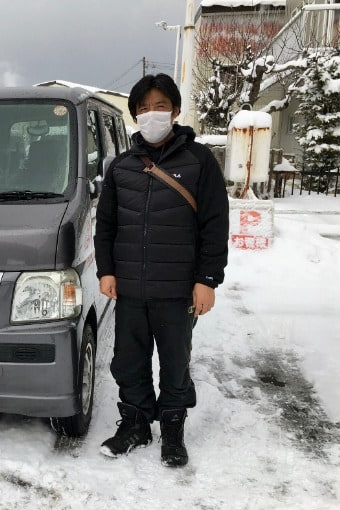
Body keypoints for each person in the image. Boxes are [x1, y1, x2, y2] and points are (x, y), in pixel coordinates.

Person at [94, 73, 229, 467]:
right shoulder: (121, 166)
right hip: (132, 290)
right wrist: (107, 270)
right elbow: (107, 225)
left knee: (174, 363)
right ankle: (134, 424)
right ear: (135, 115)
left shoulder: (199, 160)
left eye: (160, 106)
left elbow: (215, 224)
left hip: (177, 291)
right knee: (128, 362)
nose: (152, 114)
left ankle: (172, 427)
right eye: (144, 108)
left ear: (175, 111)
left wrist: (207, 279)